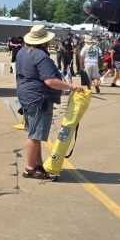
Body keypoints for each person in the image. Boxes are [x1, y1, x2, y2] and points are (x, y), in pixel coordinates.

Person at [14, 25, 77, 180]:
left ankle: (38, 164)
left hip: (26, 96)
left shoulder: (22, 51)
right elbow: (50, 81)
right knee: (35, 135)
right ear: (44, 41)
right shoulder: (41, 56)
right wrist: (71, 86)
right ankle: (30, 169)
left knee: (35, 132)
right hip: (38, 98)